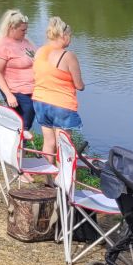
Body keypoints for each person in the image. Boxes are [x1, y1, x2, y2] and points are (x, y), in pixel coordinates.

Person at [32, 16, 85, 159]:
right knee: (64, 144)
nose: (71, 39)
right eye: (70, 36)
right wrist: (82, 85)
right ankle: (64, 179)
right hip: (61, 105)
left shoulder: (39, 52)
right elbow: (79, 85)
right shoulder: (68, 56)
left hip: (40, 102)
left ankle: (48, 179)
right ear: (63, 35)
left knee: (48, 142)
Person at [0, 9, 36, 130]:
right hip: (15, 90)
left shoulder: (26, 42)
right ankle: (18, 146)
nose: (25, 32)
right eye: (22, 30)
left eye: (26, 29)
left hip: (32, 89)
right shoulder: (2, 46)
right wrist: (9, 95)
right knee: (25, 117)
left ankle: (19, 145)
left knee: (27, 120)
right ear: (11, 28)